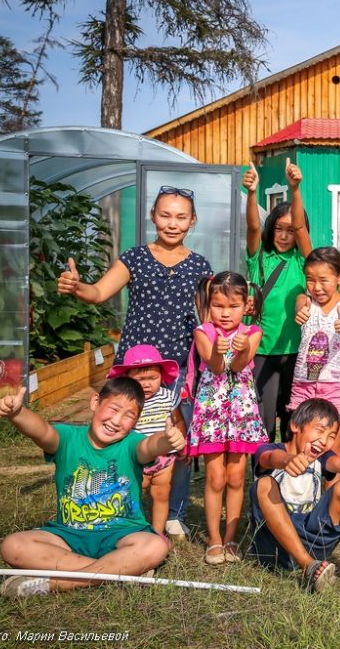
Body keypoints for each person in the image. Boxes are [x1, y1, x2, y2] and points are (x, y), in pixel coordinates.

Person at [57, 185, 211, 541]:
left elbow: (206, 317)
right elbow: (98, 292)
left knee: (177, 438)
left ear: (192, 221)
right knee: (127, 436)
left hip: (179, 370)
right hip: (136, 369)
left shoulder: (200, 265)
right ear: (152, 216)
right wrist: (78, 286)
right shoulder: (135, 258)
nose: (172, 223)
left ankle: (174, 512)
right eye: (165, 215)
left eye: (181, 216)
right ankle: (126, 507)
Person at [0, 378, 185, 597]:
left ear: (136, 422)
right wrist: (18, 413)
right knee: (13, 545)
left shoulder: (132, 443)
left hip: (122, 535)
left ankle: (55, 584)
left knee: (155, 546)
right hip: (68, 535)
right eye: (113, 409)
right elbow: (41, 431)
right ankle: (120, 571)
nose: (116, 420)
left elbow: (150, 446)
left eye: (128, 416)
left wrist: (167, 441)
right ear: (95, 402)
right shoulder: (67, 438)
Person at [248, 399, 340, 606]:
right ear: (295, 425)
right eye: (319, 431)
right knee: (264, 484)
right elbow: (269, 458)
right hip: (275, 547)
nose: (324, 441)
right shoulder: (270, 449)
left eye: (331, 436)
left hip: (312, 539)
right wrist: (288, 461)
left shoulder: (322, 459)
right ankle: (308, 566)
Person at [188, 271, 268, 565]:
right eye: (218, 305)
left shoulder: (253, 333)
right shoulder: (203, 332)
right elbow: (217, 368)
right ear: (209, 304)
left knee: (236, 476)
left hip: (242, 412)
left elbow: (240, 365)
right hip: (212, 412)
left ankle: (232, 536)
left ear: (246, 305)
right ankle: (214, 539)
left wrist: (240, 348)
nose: (225, 313)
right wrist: (218, 354)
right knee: (215, 476)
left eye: (233, 307)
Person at [244, 158, 312, 444]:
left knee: (293, 415)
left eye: (290, 230)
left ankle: (288, 475)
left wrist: (294, 189)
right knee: (263, 416)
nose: (284, 236)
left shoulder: (304, 260)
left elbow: (299, 230)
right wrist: (251, 193)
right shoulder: (259, 256)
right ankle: (263, 474)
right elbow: (252, 228)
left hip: (297, 349)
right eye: (278, 229)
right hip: (261, 348)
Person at [288, 248, 340, 490]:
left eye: (323, 280)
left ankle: (330, 503)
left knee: (331, 449)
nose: (316, 287)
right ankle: (300, 495)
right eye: (310, 279)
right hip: (303, 385)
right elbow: (300, 303)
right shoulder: (305, 301)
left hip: (334, 386)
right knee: (300, 443)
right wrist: (301, 312)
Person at [106, 344, 185, 535]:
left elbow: (179, 420)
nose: (147, 384)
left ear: (162, 376)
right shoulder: (126, 400)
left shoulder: (168, 397)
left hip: (164, 459)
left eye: (153, 378)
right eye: (140, 379)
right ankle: (130, 529)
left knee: (161, 494)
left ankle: (157, 534)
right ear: (128, 379)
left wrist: (180, 443)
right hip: (135, 459)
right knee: (132, 493)